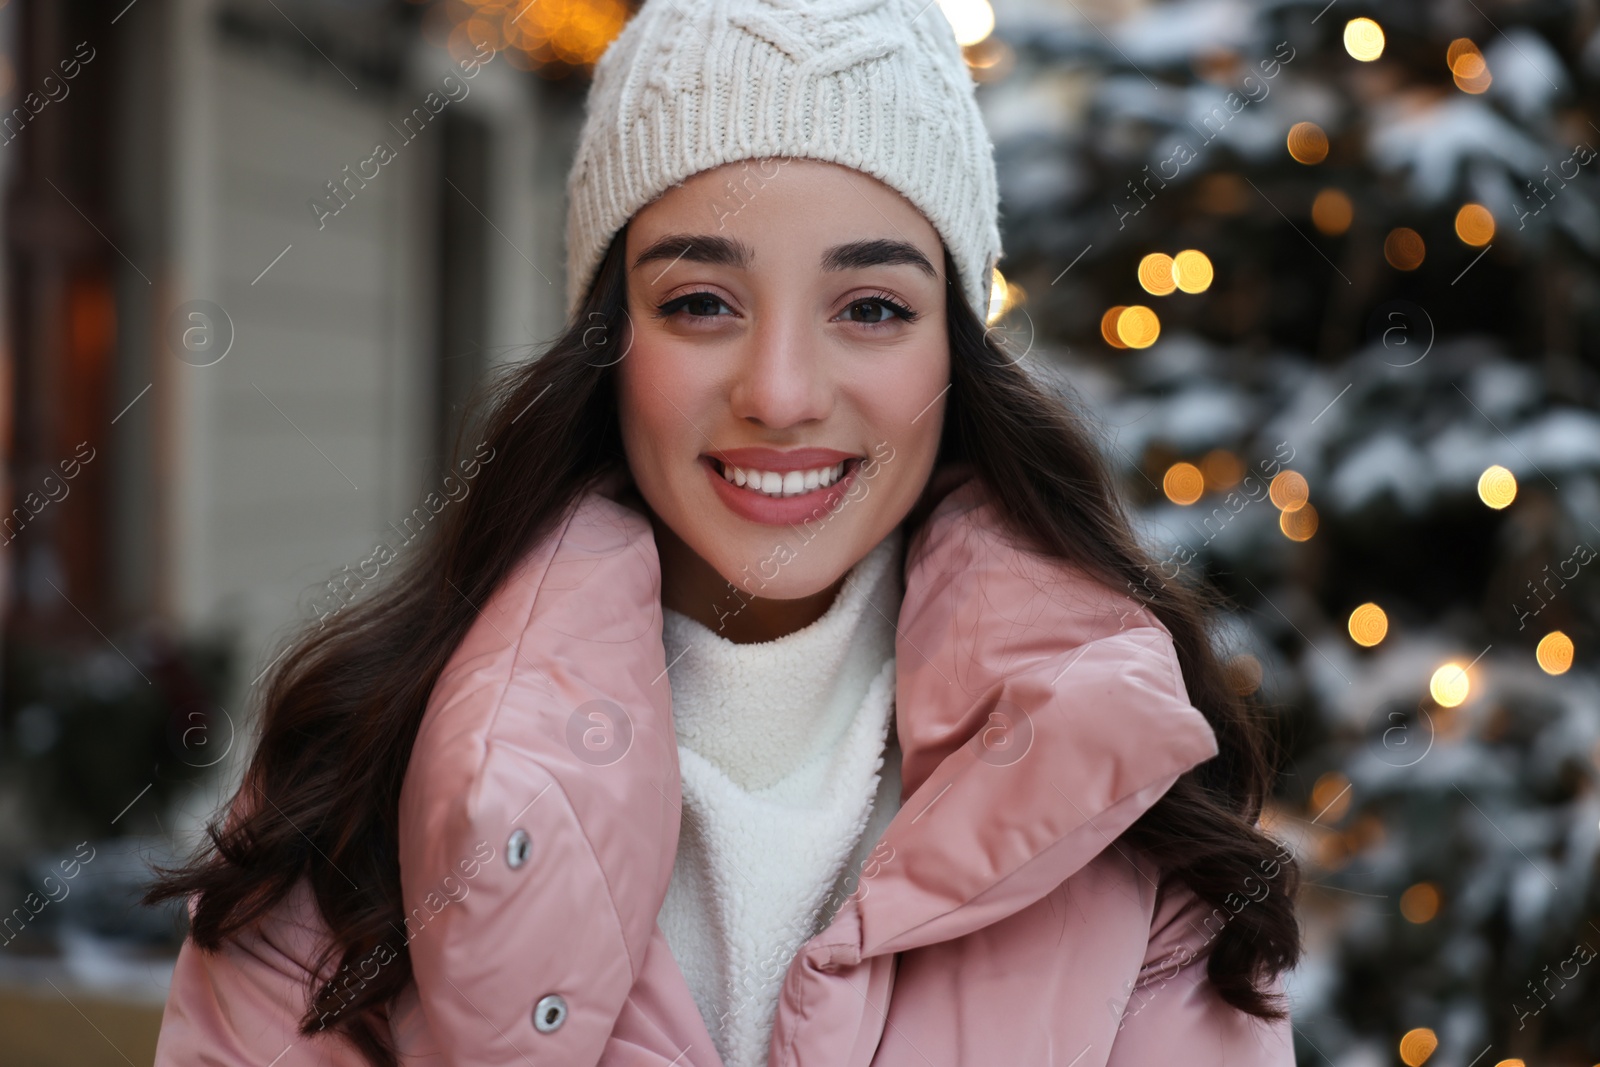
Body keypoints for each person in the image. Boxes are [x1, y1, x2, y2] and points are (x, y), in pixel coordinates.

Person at [145, 0, 1303, 1064]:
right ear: (608, 340)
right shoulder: (352, 790)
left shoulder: (1119, 779)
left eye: (872, 308)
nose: (783, 390)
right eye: (700, 301)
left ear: (954, 352)